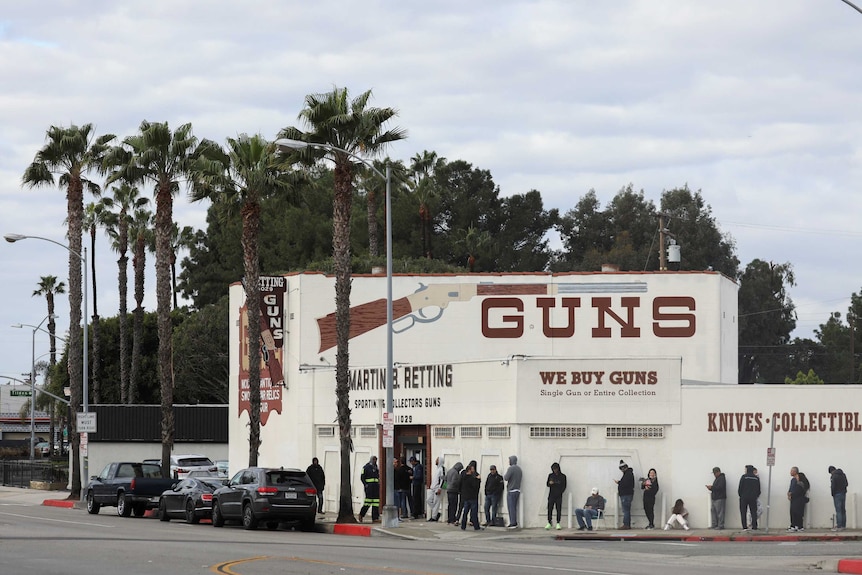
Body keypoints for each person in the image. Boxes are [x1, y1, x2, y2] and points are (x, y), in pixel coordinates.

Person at [738, 464, 761, 530]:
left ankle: (744, 526)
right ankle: (754, 526)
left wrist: (741, 495)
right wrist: (756, 496)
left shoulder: (744, 477)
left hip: (744, 497)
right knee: (753, 512)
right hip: (753, 498)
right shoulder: (756, 478)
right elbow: (758, 489)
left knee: (743, 512)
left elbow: (740, 487)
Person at [787, 467, 810, 532]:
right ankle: (796, 525)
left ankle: (796, 526)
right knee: (794, 512)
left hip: (798, 499)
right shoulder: (793, 480)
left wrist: (791, 494)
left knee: (797, 512)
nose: (790, 472)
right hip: (794, 499)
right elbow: (791, 488)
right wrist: (789, 493)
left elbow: (797, 490)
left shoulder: (800, 483)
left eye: (792, 471)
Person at [459, 464, 481, 531]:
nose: (473, 470)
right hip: (472, 497)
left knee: (465, 512)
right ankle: (476, 526)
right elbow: (476, 487)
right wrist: (478, 480)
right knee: (474, 512)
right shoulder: (472, 479)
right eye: (472, 469)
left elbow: (460, 486)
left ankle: (463, 526)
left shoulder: (463, 477)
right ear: (469, 470)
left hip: (466, 497)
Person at [545, 462, 567, 530]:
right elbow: (547, 484)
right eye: (553, 469)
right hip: (551, 495)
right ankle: (549, 522)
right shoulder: (551, 475)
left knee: (558, 509)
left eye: (556, 469)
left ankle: (558, 522)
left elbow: (564, 486)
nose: (555, 470)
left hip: (558, 495)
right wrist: (550, 483)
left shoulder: (563, 476)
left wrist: (560, 492)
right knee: (549, 508)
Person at [358, 455, 379, 523]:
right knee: (368, 502)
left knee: (375, 502)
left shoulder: (376, 467)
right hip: (369, 487)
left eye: (376, 460)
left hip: (375, 486)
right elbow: (362, 477)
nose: (375, 461)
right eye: (374, 460)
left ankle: (375, 518)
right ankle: (361, 514)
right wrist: (366, 485)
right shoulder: (366, 467)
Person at [503, 455, 523, 529]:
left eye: (509, 460)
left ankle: (513, 523)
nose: (509, 462)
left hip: (511, 490)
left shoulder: (511, 468)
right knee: (514, 507)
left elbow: (506, 478)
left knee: (511, 507)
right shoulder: (519, 469)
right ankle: (514, 522)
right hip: (517, 490)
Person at [614, 460, 635, 529]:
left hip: (626, 495)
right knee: (626, 510)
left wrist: (619, 482)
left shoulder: (628, 474)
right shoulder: (629, 474)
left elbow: (626, 484)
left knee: (626, 510)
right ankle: (627, 524)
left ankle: (626, 524)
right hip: (627, 494)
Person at [829, 465, 849, 531]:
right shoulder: (843, 475)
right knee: (843, 510)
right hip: (843, 493)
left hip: (837, 494)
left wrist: (832, 493)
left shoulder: (833, 476)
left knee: (838, 511)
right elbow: (846, 483)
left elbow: (833, 486)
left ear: (831, 471)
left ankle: (839, 526)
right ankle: (843, 526)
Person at [426, 455, 445, 522]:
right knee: (428, 500)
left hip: (437, 488)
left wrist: (440, 488)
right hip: (432, 488)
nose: (435, 461)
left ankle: (434, 517)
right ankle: (436, 513)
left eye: (437, 460)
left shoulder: (442, 469)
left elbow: (442, 479)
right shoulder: (437, 469)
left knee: (436, 502)